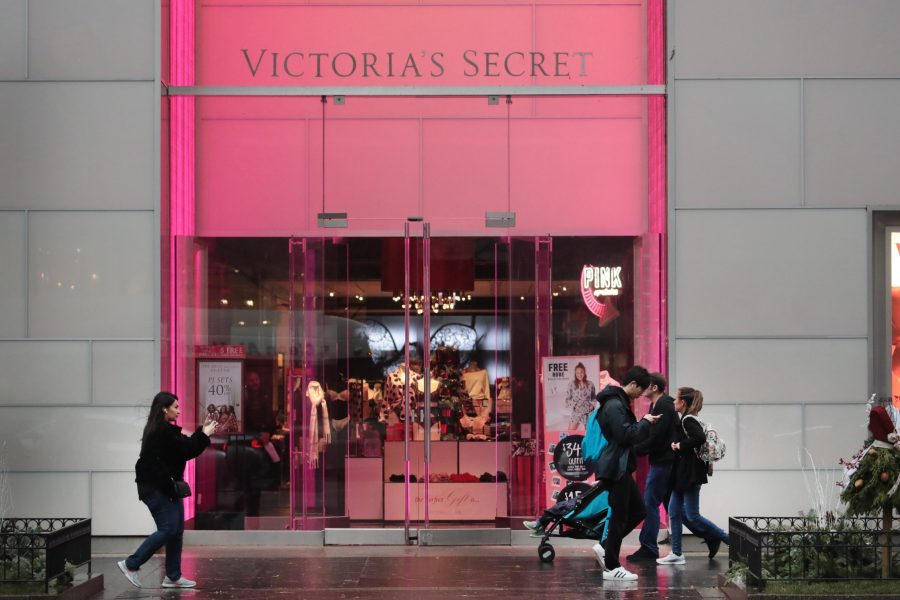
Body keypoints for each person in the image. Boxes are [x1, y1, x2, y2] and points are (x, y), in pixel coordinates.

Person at [118, 391, 217, 589]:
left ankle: (172, 576)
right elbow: (187, 450)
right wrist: (204, 434)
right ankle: (131, 564)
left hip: (167, 487)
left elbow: (185, 446)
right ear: (164, 409)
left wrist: (201, 433)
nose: (179, 411)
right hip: (156, 488)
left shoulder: (163, 430)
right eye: (175, 407)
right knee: (169, 529)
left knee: (177, 531)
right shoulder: (162, 432)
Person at [591, 366, 660, 581]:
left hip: (620, 465)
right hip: (616, 467)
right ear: (632, 385)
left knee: (638, 511)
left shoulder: (617, 402)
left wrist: (642, 424)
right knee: (620, 516)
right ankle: (612, 566)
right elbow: (625, 435)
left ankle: (605, 546)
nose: (641, 395)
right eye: (640, 390)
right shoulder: (614, 405)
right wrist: (645, 422)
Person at [657, 386, 729, 565]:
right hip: (683, 474)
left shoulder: (688, 420)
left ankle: (729, 539)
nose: (673, 401)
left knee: (692, 515)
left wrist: (679, 446)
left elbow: (699, 438)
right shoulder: (687, 418)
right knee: (674, 511)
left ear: (683, 402)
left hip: (689, 474)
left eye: (676, 399)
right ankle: (677, 553)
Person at [628, 372, 679, 561]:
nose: (642, 387)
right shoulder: (656, 404)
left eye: (646, 384)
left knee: (650, 503)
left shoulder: (663, 405)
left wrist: (635, 450)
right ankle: (714, 536)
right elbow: (651, 433)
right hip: (662, 461)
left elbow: (657, 437)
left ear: (654, 387)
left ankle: (649, 547)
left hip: (663, 462)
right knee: (670, 506)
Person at [565, 362, 597, 431]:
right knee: (569, 434)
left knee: (589, 434)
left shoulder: (590, 384)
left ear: (584, 372)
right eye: (577, 373)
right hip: (577, 413)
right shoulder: (571, 384)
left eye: (581, 372)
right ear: (575, 374)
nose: (580, 374)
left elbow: (594, 397)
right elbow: (567, 400)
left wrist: (592, 405)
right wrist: (575, 405)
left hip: (588, 413)